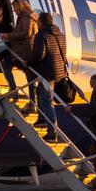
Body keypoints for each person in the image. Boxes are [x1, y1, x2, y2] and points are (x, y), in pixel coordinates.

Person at [29, 12, 67, 140]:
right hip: (58, 72)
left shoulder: (41, 35)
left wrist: (27, 63)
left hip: (47, 73)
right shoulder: (61, 35)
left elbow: (39, 55)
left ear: (41, 22)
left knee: (47, 101)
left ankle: (52, 133)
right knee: (41, 94)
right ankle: (41, 119)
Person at [0, 0, 37, 95]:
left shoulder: (26, 18)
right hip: (21, 51)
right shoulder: (25, 17)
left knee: (29, 78)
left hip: (24, 53)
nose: (14, 10)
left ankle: (15, 91)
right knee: (6, 64)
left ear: (20, 7)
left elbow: (26, 33)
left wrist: (8, 35)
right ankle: (15, 90)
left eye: (14, 8)